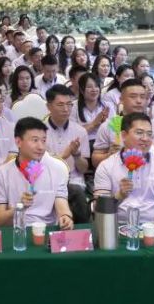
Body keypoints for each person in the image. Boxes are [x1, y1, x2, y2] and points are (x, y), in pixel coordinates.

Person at [92, 112, 154, 224]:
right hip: (117, 226)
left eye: (149, 134)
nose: (145, 138)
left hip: (153, 226)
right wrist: (119, 195)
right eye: (139, 133)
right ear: (123, 135)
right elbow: (99, 208)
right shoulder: (106, 166)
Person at [0, 117, 73, 230]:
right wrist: (19, 207)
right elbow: (0, 221)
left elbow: (61, 204)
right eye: (35, 140)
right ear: (18, 142)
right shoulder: (0, 175)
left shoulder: (57, 169)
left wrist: (65, 217)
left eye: (43, 140)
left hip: (47, 229)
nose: (41, 147)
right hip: (16, 231)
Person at [91, 78, 154, 167]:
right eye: (133, 96)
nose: (139, 101)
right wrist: (109, 155)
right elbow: (95, 161)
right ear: (121, 99)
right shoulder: (110, 125)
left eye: (142, 97)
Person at [45, 85, 91, 222]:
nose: (66, 109)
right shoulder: (40, 132)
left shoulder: (80, 131)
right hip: (47, 181)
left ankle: (83, 230)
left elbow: (83, 169)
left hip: (74, 181)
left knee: (76, 191)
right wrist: (64, 155)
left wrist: (76, 155)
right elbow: (39, 167)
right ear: (49, 106)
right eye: (60, 105)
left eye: (69, 104)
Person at [72, 73, 111, 149]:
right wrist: (94, 124)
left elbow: (115, 131)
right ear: (82, 90)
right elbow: (73, 135)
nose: (94, 90)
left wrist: (105, 124)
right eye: (89, 87)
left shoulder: (108, 106)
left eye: (96, 86)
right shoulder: (73, 107)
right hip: (83, 145)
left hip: (105, 144)